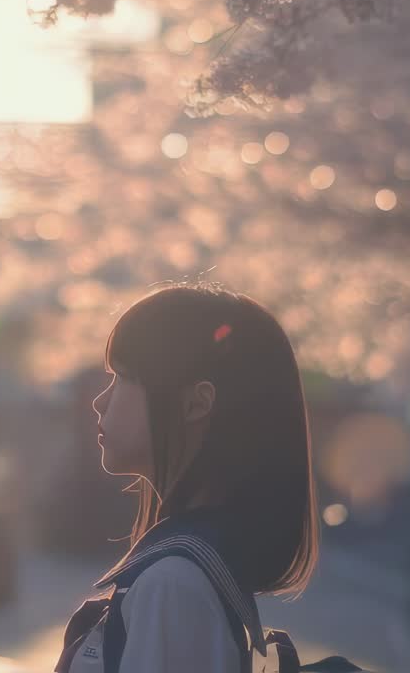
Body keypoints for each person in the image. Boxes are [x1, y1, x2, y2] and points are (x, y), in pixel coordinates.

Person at [55, 283, 319, 673]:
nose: (100, 401)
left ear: (196, 403)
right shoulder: (191, 568)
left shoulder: (171, 584)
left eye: (123, 378)